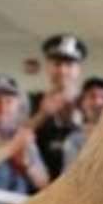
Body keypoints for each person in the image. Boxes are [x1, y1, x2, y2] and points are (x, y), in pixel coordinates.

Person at [28, 33, 88, 180]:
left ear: (78, 70)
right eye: (57, 64)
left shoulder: (89, 104)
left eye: (69, 65)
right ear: (47, 67)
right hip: (36, 187)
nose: (62, 71)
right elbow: (16, 138)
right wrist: (42, 115)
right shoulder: (32, 101)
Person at [61, 76, 103, 171]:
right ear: (82, 103)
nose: (97, 102)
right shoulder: (73, 139)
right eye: (92, 96)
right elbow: (69, 174)